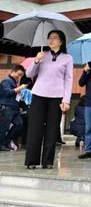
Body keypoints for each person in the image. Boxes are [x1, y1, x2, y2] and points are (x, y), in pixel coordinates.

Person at [25, 30, 73, 169]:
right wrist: (36, 61)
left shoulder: (67, 58)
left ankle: (47, 161)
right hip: (39, 95)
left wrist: (67, 100)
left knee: (52, 130)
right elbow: (29, 74)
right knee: (35, 128)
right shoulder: (42, 55)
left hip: (56, 97)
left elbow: (68, 80)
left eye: (54, 38)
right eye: (49, 38)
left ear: (61, 41)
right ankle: (31, 161)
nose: (51, 40)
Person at [0, 65, 27, 151]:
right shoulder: (6, 81)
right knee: (4, 127)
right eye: (18, 74)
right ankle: (2, 144)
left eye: (21, 75)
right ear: (13, 71)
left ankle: (7, 141)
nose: (19, 77)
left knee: (19, 124)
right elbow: (7, 92)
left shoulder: (14, 82)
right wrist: (19, 88)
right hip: (6, 106)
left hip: (14, 107)